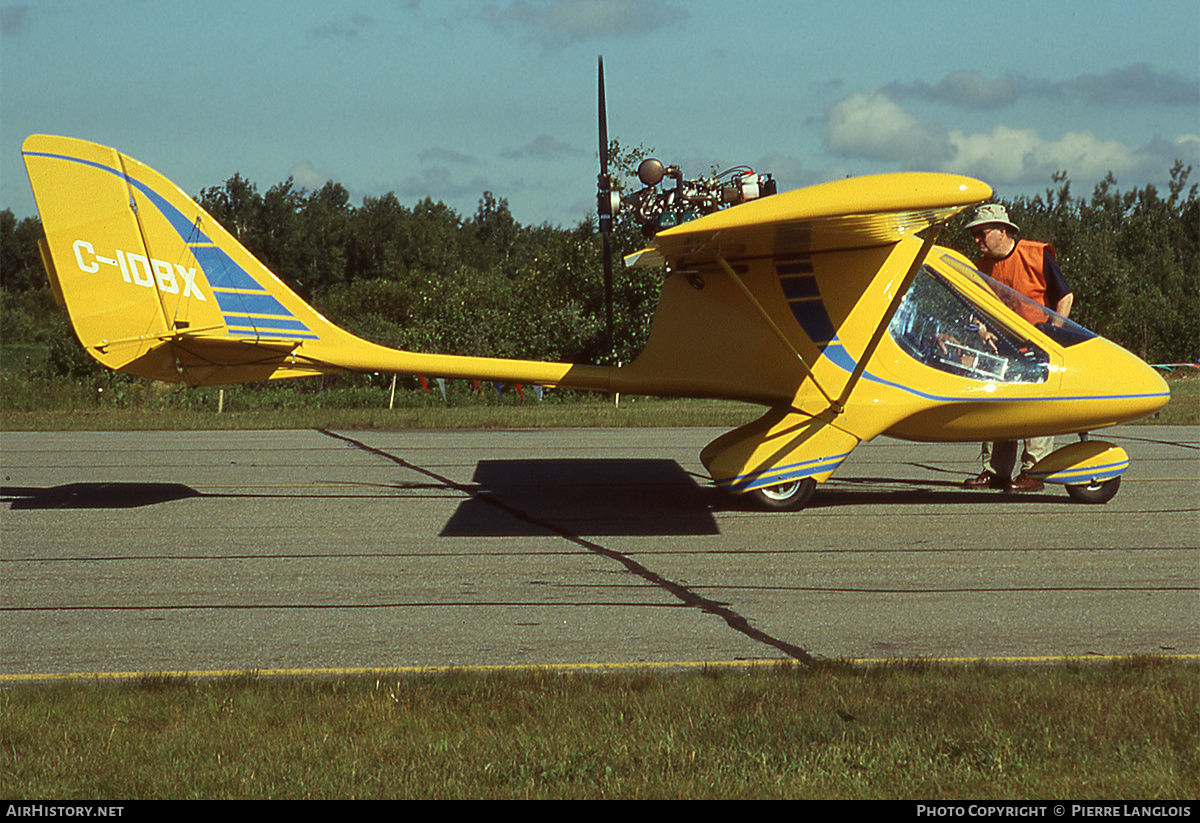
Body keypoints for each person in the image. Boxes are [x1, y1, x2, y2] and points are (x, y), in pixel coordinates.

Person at [961, 203, 1074, 493]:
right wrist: (982, 328)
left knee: (1035, 409)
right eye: (974, 235)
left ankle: (1036, 471)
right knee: (999, 408)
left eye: (981, 233)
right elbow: (979, 307)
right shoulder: (983, 266)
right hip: (1002, 348)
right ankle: (995, 472)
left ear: (1002, 231)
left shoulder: (1037, 254)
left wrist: (1053, 333)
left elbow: (1065, 296)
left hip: (1038, 346)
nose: (977, 241)